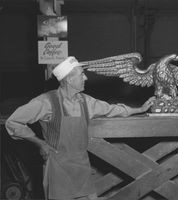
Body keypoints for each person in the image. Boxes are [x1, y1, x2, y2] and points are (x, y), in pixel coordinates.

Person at [5, 56, 155, 200]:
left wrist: (139, 109)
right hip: (58, 168)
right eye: (82, 75)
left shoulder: (85, 101)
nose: (86, 78)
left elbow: (112, 109)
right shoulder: (46, 102)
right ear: (69, 79)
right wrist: (40, 143)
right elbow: (13, 122)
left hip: (82, 167)